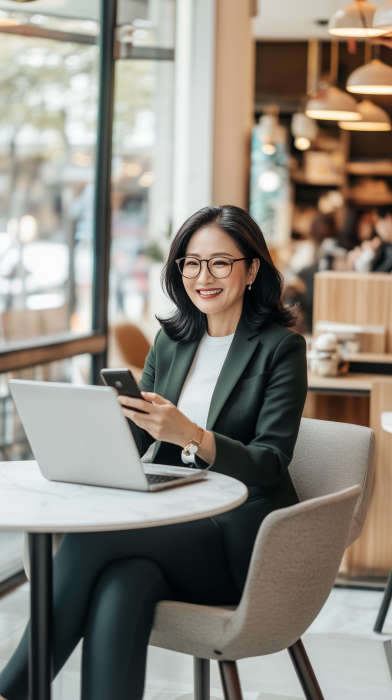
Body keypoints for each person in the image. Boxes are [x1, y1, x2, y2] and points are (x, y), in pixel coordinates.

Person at [0, 205, 307, 700]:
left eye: (220, 263)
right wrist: (95, 430)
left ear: (252, 270)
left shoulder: (280, 348)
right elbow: (139, 446)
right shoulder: (170, 342)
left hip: (239, 541)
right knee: (125, 583)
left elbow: (270, 463)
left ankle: (11, 690)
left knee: (91, 542)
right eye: (191, 263)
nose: (203, 277)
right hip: (171, 521)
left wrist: (192, 434)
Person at [347, 205, 392, 273]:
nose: (377, 226)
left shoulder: (387, 249)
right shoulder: (383, 248)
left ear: (389, 218)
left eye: (378, 220)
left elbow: (378, 275)